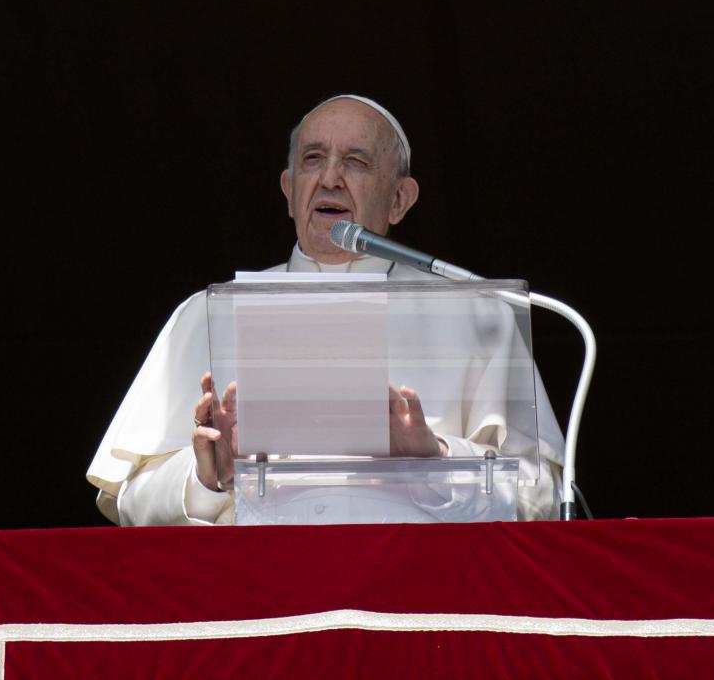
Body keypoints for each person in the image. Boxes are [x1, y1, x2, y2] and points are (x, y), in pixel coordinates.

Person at [88, 94, 561, 525]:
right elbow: (130, 500)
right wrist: (206, 478)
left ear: (399, 199)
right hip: (261, 585)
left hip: (416, 581)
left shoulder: (477, 315)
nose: (330, 178)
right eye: (313, 159)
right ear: (289, 189)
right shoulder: (207, 314)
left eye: (355, 162)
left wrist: (435, 458)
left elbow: (544, 499)